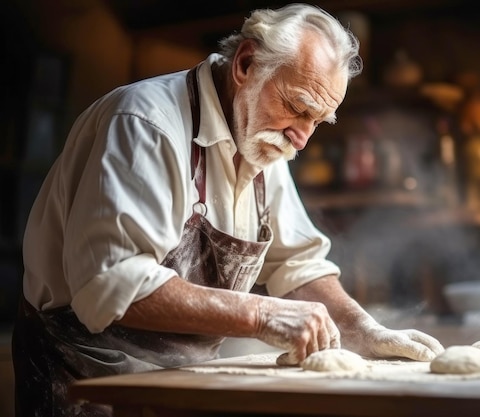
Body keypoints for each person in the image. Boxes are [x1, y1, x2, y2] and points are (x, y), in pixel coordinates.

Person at [12, 3, 444, 416]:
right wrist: (262, 314)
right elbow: (112, 285)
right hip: (86, 378)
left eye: (318, 121)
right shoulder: (144, 123)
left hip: (181, 383)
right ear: (245, 65)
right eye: (297, 108)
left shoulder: (261, 139)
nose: (302, 139)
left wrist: (362, 330)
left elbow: (297, 264)